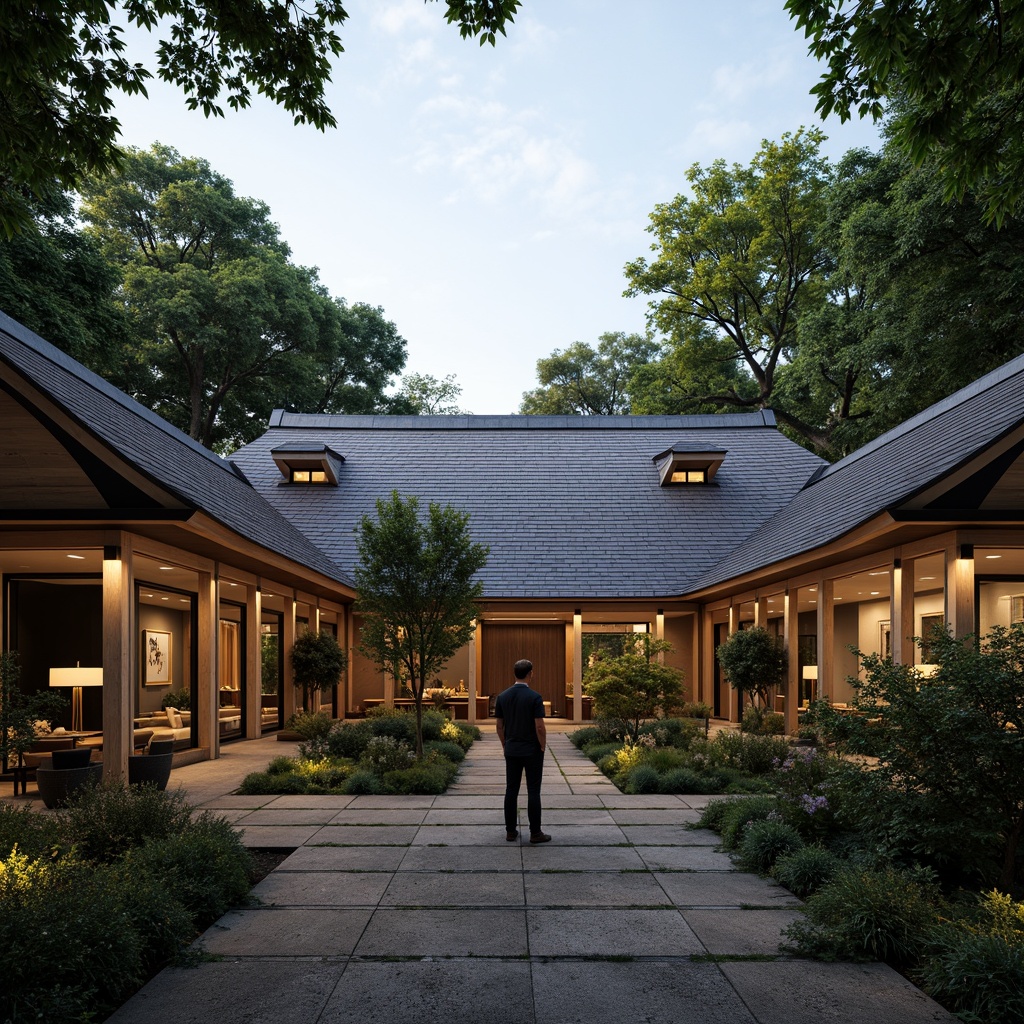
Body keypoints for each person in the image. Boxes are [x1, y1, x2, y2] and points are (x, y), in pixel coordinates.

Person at [494, 658, 550, 844]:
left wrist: (504, 744)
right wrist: (542, 745)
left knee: (511, 789)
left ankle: (510, 831)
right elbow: (539, 726)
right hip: (532, 749)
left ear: (514, 673)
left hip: (512, 748)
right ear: (530, 673)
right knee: (533, 790)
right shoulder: (535, 697)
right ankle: (535, 833)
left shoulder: (503, 697)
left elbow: (499, 726)